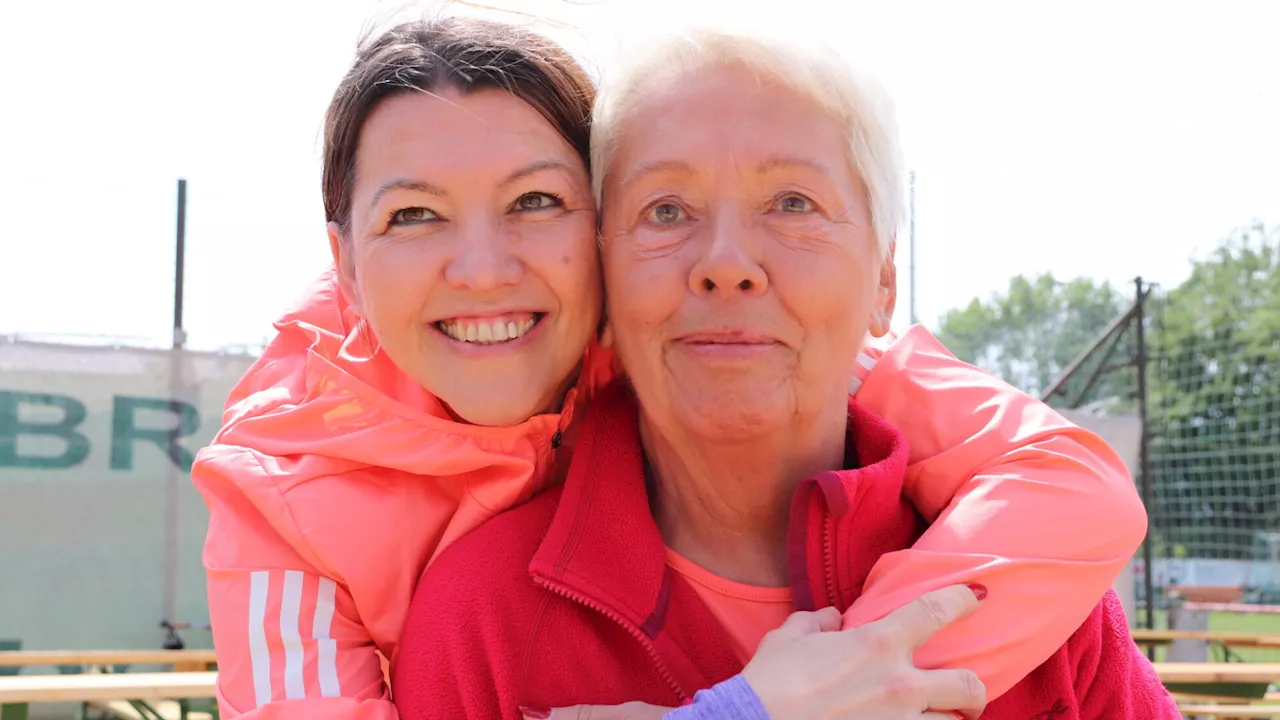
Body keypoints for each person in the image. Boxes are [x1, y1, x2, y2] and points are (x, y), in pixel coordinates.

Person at [193, 15, 1148, 720]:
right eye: (665, 210)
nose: (483, 269)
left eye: (533, 201)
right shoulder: (287, 495)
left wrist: (868, 672)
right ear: (345, 265)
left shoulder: (1015, 562)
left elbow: (1069, 479)